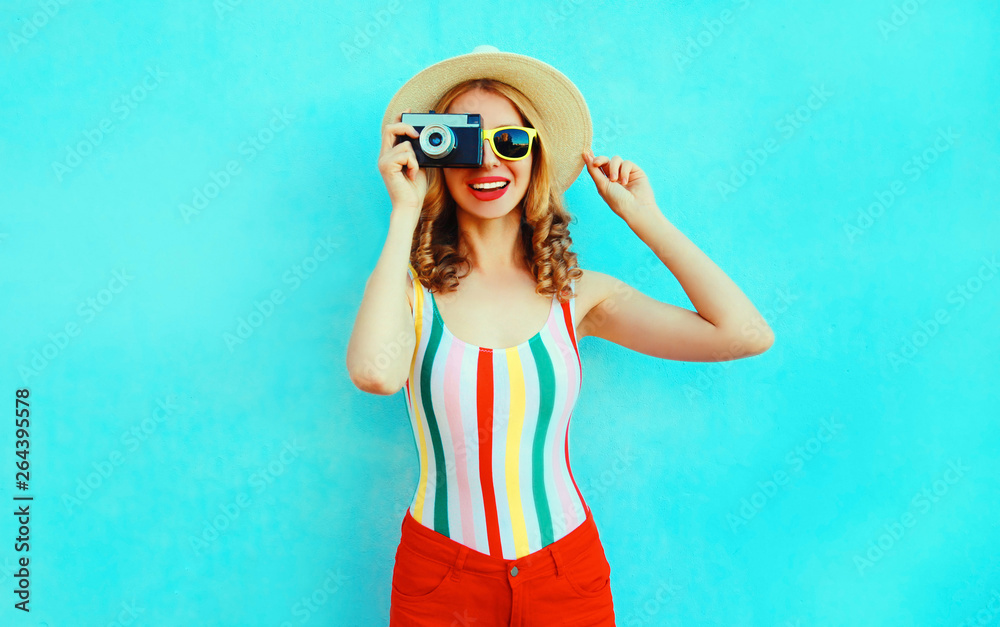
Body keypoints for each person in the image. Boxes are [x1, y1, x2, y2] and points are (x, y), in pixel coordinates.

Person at [346, 45, 774, 627]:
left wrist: (646, 217)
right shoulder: (406, 294)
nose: (488, 163)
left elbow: (745, 334)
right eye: (464, 142)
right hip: (441, 580)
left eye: (511, 142)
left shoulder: (578, 297)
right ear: (434, 154)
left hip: (565, 574)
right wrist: (405, 210)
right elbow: (375, 372)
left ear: (535, 154)